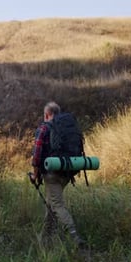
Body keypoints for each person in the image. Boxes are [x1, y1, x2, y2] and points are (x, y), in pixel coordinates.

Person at [30, 101, 85, 246]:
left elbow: (36, 157)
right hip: (67, 172)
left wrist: (35, 175)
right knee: (51, 204)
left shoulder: (44, 128)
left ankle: (75, 237)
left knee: (57, 205)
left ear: (46, 114)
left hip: (52, 174)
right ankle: (46, 238)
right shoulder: (66, 128)